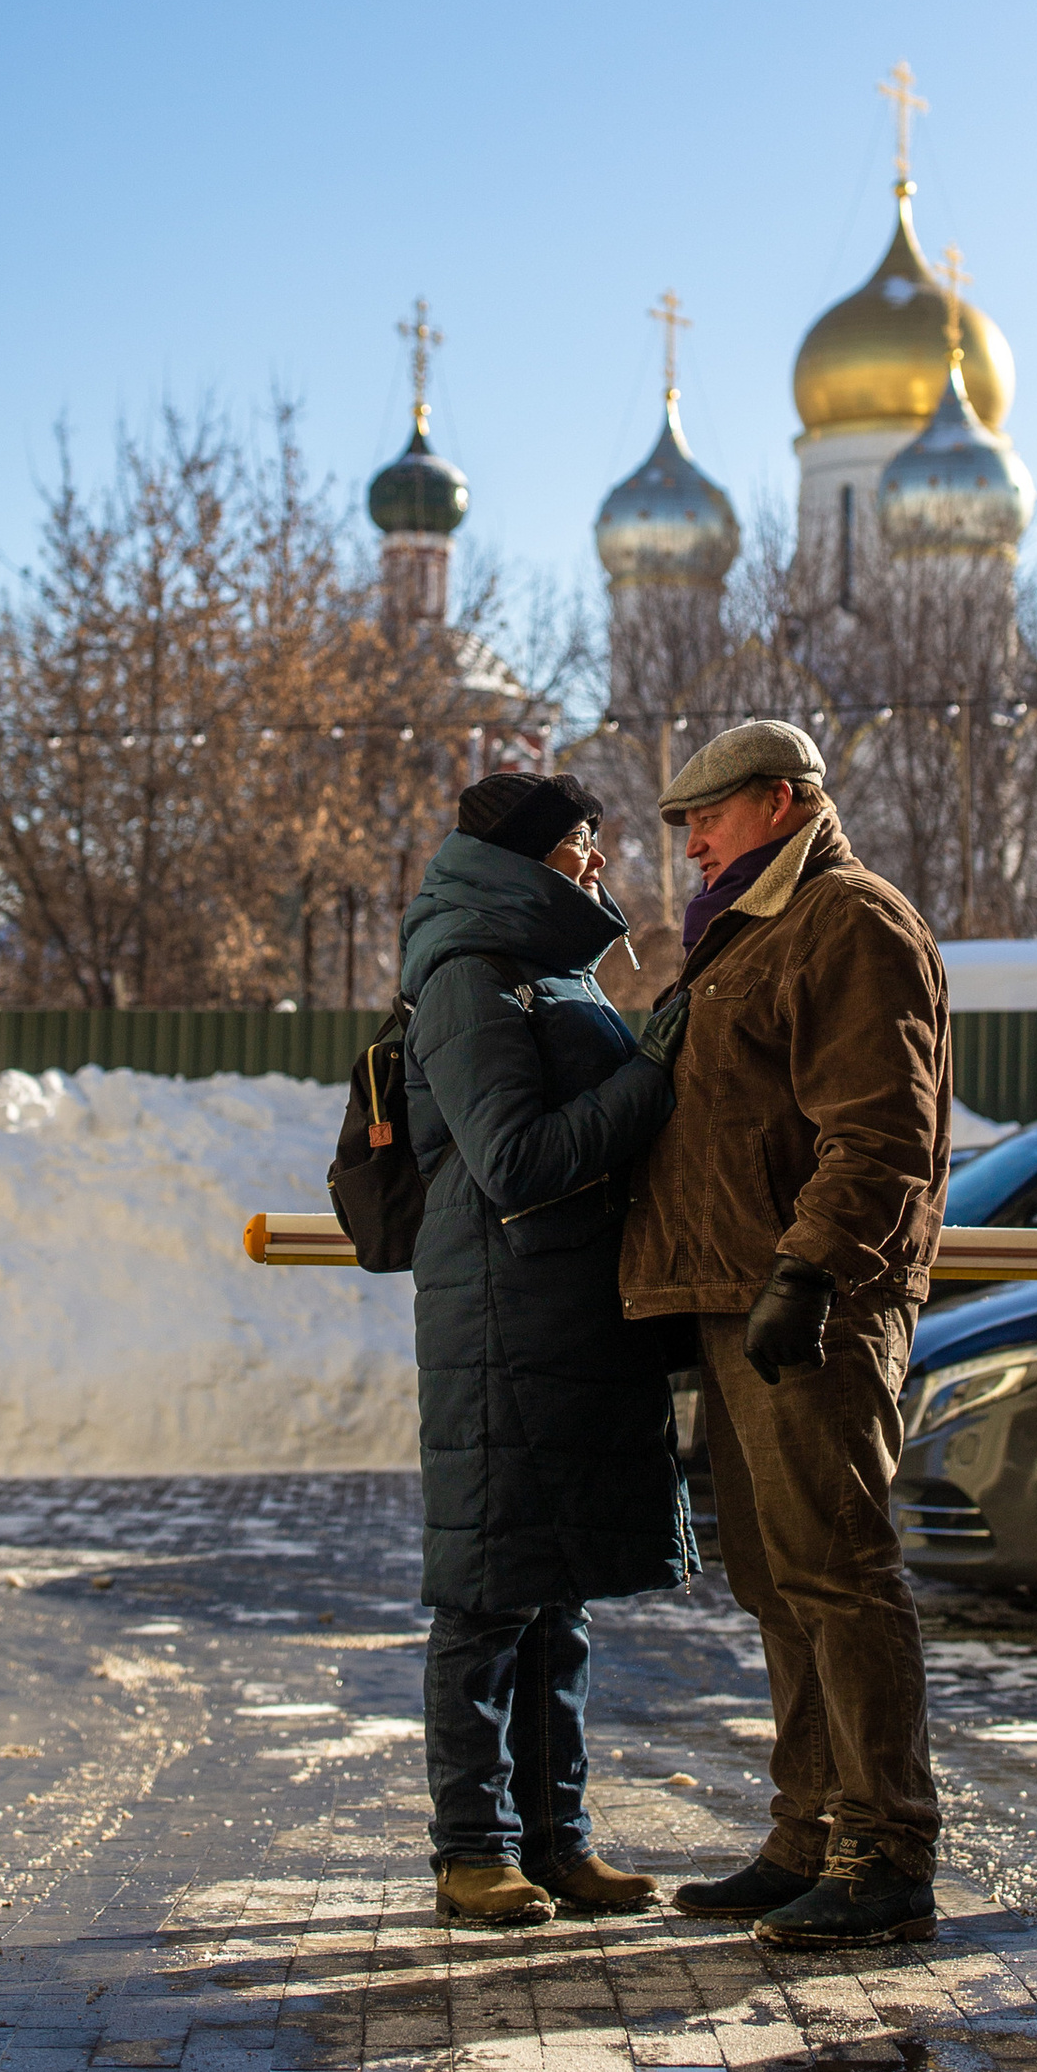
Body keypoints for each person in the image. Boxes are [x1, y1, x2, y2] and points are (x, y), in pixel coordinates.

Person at [619, 720, 951, 1946]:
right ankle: (809, 1833)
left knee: (838, 1568)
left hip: (816, 1302)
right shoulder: (745, 931)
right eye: (682, 825)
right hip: (738, 1296)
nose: (690, 844)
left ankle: (885, 1851)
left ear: (782, 801)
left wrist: (809, 1271)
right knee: (776, 1576)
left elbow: (881, 1128)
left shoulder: (847, 921)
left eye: (707, 818)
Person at [400, 768, 693, 1928]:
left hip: (566, 1314)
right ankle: (473, 1850)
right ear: (527, 858)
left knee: (556, 1593)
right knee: (489, 1596)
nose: (598, 860)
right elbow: (513, 1160)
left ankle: (557, 1840)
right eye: (580, 840)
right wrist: (654, 1073)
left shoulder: (552, 970)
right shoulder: (469, 977)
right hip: (499, 1323)